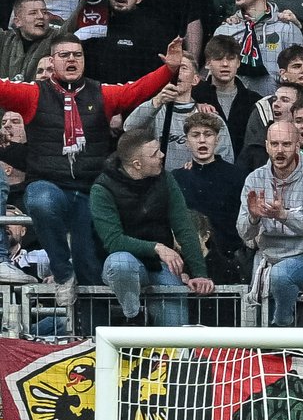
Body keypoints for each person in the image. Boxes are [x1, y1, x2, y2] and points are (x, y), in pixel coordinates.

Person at [0, 35, 180, 308]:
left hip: (91, 191)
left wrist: (170, 69)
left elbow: (135, 92)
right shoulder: (33, 94)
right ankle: (62, 273)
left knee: (89, 268)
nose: (71, 59)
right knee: (39, 200)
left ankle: (90, 336)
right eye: (64, 55)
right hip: (49, 185)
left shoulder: (101, 93)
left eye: (77, 55)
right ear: (51, 60)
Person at [91, 129, 214, 326]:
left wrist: (200, 274)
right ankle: (133, 316)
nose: (162, 155)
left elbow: (184, 227)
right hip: (124, 262)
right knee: (121, 262)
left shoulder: (165, 179)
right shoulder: (102, 189)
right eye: (155, 153)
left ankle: (177, 355)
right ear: (137, 164)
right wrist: (157, 247)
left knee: (176, 335)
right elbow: (114, 241)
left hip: (160, 266)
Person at [238, 121, 303, 326]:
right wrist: (254, 218)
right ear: (266, 146)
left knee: (280, 275)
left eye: (286, 144)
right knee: (271, 274)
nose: (279, 150)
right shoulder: (254, 179)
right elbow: (244, 233)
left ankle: (282, 326)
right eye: (274, 144)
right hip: (267, 260)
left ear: (297, 146)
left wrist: (284, 215)